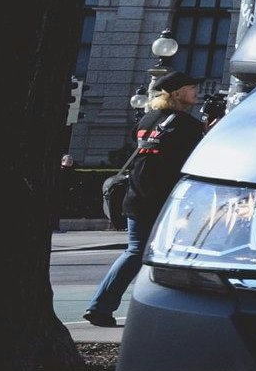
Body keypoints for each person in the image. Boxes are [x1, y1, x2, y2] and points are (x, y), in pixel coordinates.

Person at [84, 73, 209, 328]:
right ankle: (171, 311)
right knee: (181, 255)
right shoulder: (188, 125)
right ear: (176, 93)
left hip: (137, 196)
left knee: (134, 252)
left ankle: (101, 306)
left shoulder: (147, 119)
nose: (196, 90)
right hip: (168, 202)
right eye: (191, 87)